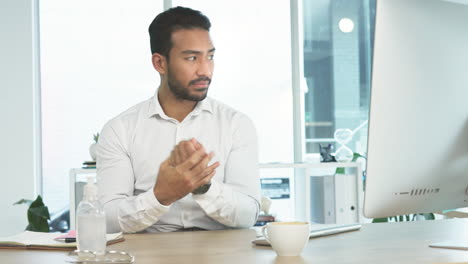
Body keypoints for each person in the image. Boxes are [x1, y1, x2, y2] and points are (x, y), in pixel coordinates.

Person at [96, 6, 261, 233]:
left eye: (210, 57)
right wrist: (160, 196)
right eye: (192, 58)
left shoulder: (237, 125)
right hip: (149, 254)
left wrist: (204, 187)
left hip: (221, 253)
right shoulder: (120, 130)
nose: (206, 70)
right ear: (160, 63)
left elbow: (248, 215)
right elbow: (107, 219)